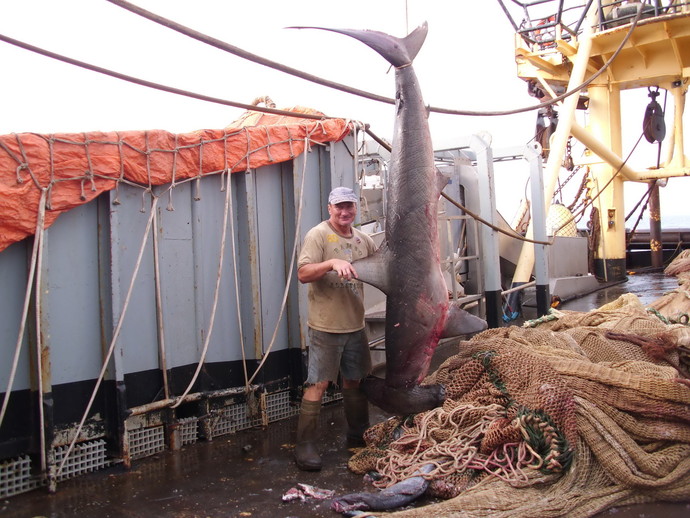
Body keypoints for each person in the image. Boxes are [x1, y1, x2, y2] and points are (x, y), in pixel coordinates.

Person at [294, 186, 378, 471]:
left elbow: (383, 269)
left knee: (355, 380)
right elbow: (303, 273)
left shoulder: (364, 240)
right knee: (318, 384)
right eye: (339, 206)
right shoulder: (318, 235)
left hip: (355, 325)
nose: (344, 212)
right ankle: (305, 446)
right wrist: (331, 262)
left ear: (356, 209)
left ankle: (358, 436)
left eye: (349, 206)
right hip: (325, 326)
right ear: (329, 208)